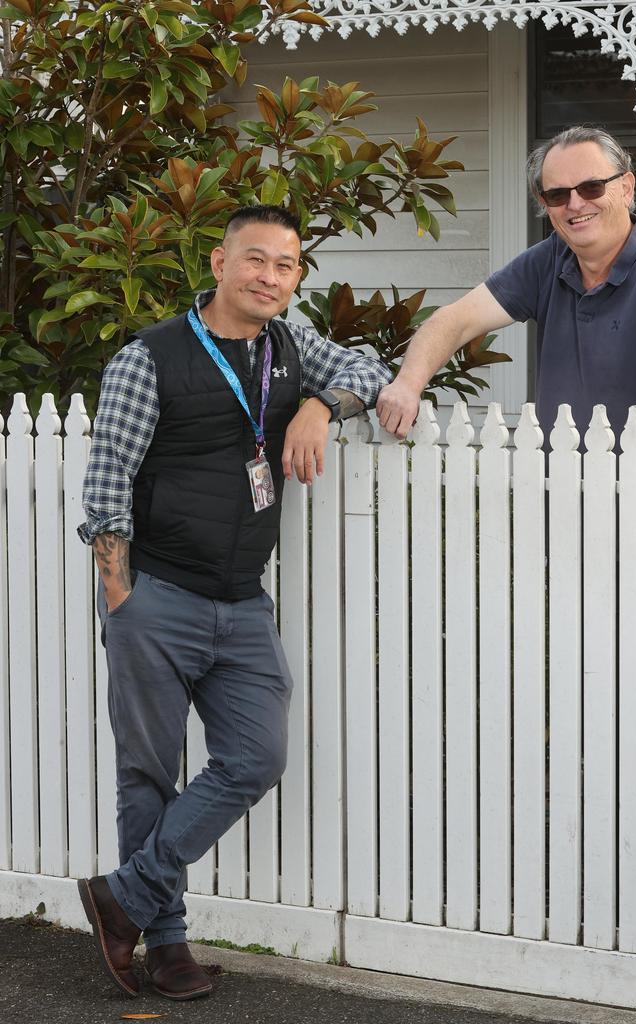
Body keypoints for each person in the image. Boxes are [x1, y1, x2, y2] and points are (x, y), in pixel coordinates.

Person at [76, 204, 391, 1001]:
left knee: (255, 758)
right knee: (146, 772)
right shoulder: (150, 357)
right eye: (256, 261)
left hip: (243, 602)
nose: (271, 278)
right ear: (218, 264)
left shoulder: (288, 346)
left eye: (286, 267)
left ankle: (125, 896)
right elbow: (109, 473)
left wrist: (320, 405)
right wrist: (121, 593)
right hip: (158, 595)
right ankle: (168, 945)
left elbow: (368, 371)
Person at [376, 125, 636, 458]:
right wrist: (407, 384)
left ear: (626, 188)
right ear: (545, 203)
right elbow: (457, 319)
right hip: (557, 494)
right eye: (558, 194)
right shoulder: (549, 260)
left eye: (592, 187)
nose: (575, 204)